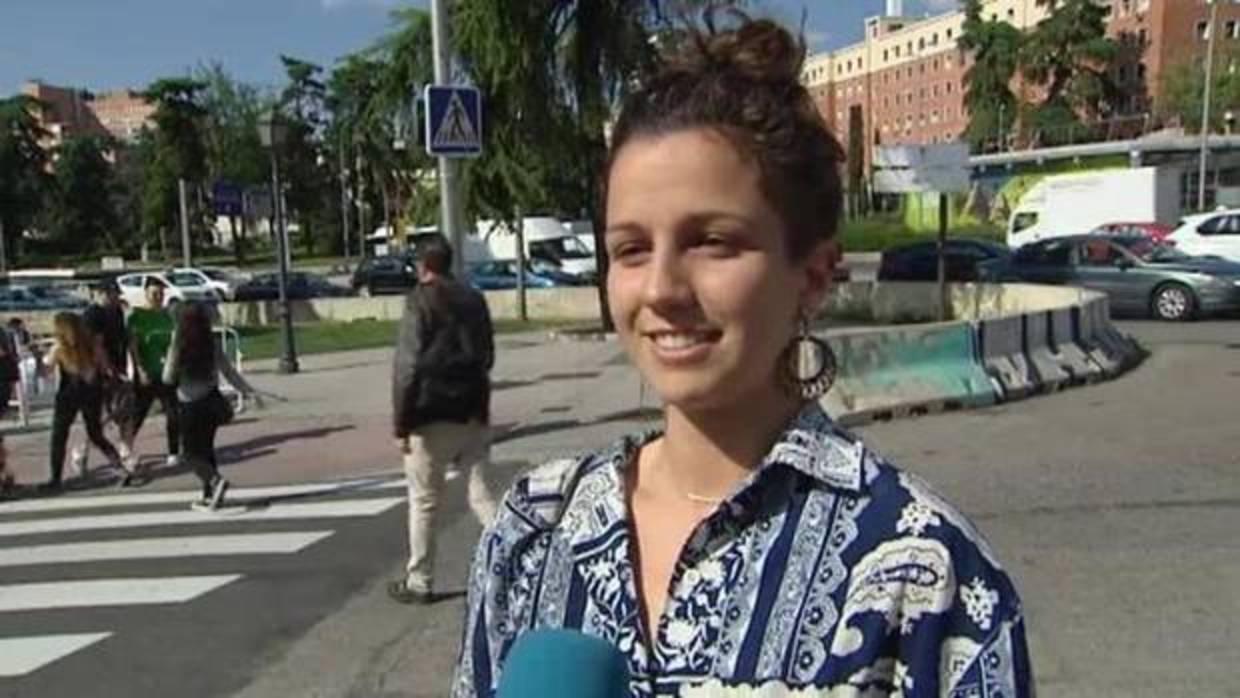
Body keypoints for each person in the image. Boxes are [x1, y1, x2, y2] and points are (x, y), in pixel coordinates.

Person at [455, 13, 1032, 698]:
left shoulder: (922, 568)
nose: (662, 290)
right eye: (630, 249)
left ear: (812, 276)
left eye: (712, 242)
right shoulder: (532, 530)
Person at [389, 233, 498, 605]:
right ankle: (514, 559)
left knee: (424, 501)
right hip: (473, 408)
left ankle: (420, 580)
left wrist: (402, 422)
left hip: (430, 412)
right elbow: (487, 356)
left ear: (422, 265)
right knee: (482, 495)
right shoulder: (474, 298)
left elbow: (407, 366)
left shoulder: (419, 301)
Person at [162, 301, 260, 511]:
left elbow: (168, 377)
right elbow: (229, 371)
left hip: (189, 403)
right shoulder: (211, 343)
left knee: (189, 454)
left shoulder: (178, 343)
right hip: (211, 401)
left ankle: (215, 481)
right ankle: (210, 495)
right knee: (206, 450)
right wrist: (247, 391)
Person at [41, 312, 125, 492]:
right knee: (95, 433)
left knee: (59, 436)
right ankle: (119, 466)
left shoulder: (59, 348)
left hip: (67, 395)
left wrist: (41, 360)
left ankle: (55, 478)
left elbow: (46, 371)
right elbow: (106, 368)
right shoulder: (93, 345)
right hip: (92, 393)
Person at [76, 280, 136, 472]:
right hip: (98, 372)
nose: (116, 298)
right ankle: (81, 451)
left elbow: (124, 339)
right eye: (112, 294)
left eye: (116, 294)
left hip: (118, 368)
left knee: (124, 411)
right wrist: (108, 368)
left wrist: (126, 366)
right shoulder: (92, 315)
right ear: (101, 294)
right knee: (100, 416)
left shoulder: (116, 312)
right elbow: (97, 345)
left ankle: (126, 452)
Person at [126, 277, 180, 468]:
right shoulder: (137, 316)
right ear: (146, 294)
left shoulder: (167, 316)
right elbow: (133, 346)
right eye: (154, 293)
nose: (158, 297)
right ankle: (126, 447)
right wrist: (140, 369)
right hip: (147, 372)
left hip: (166, 372)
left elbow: (173, 342)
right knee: (138, 414)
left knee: (173, 413)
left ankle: (173, 452)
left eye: (161, 293)